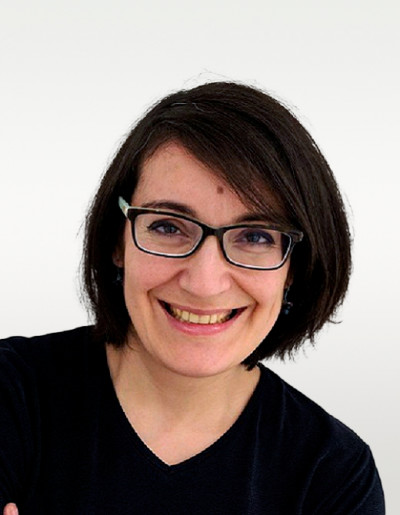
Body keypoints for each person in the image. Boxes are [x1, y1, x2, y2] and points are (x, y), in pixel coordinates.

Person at [0, 81, 385, 514]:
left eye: (255, 237)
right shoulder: (11, 393)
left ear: (293, 268)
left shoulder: (333, 476)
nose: (204, 283)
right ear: (116, 241)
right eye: (168, 227)